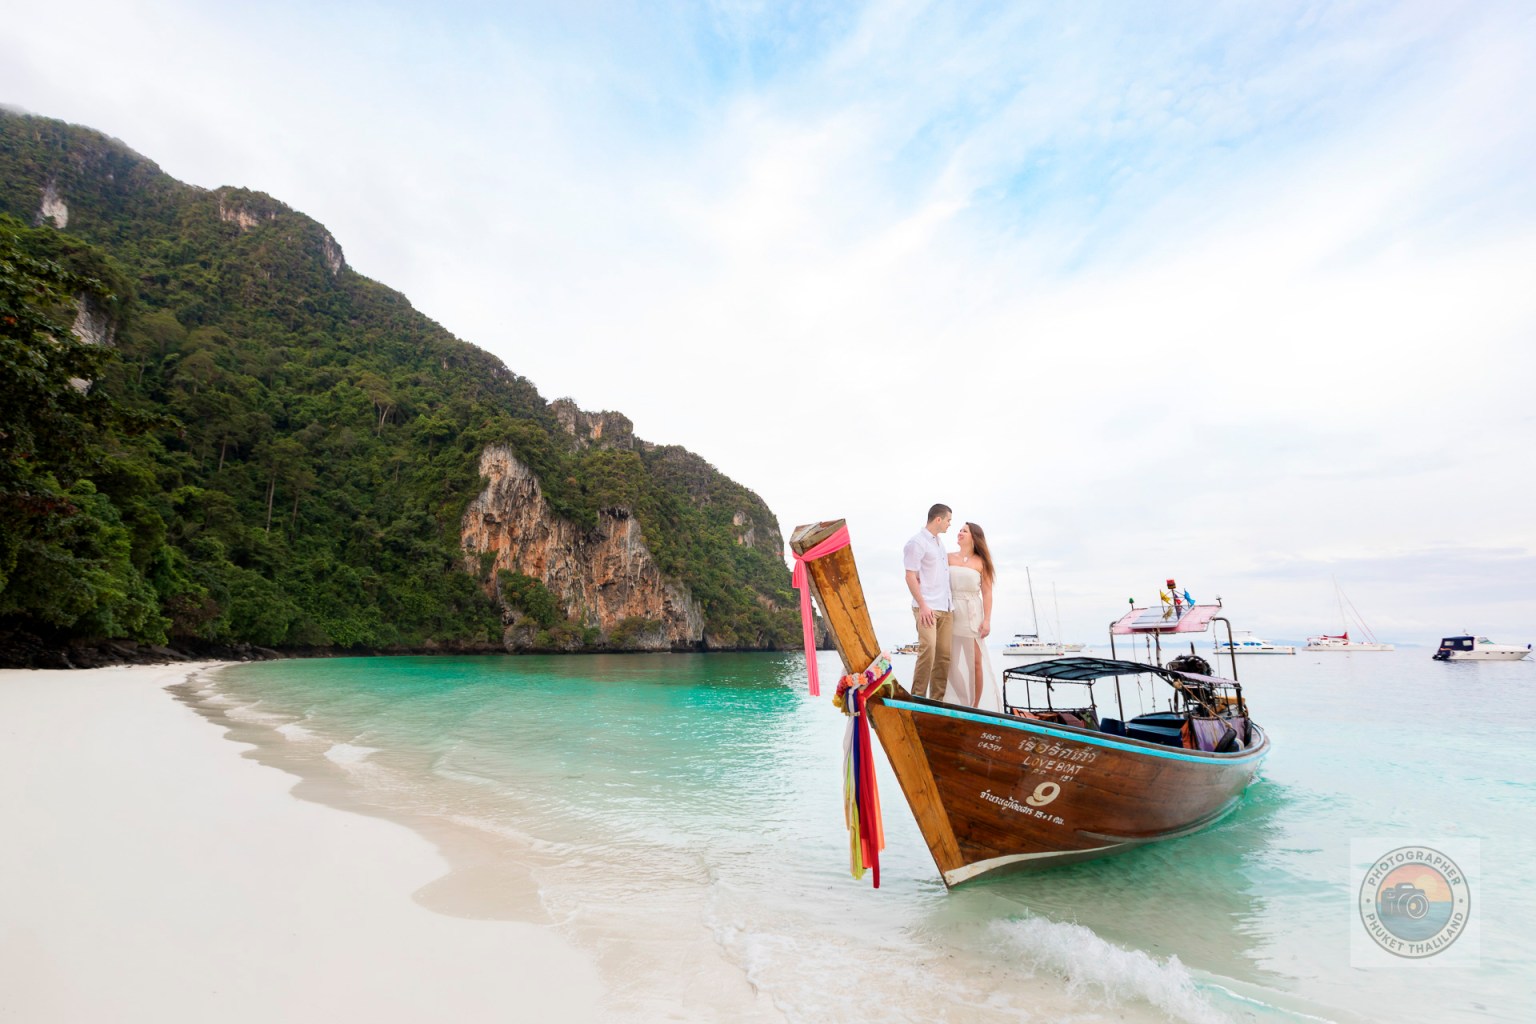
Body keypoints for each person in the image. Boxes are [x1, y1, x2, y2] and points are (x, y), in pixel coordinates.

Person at [946, 522, 1001, 712]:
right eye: (959, 530)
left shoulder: (981, 562)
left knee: (975, 662)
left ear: (974, 537)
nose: (959, 533)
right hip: (951, 612)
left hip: (972, 614)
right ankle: (961, 700)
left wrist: (987, 620)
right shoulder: (948, 558)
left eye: (964, 531)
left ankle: (975, 706)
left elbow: (987, 593)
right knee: (950, 662)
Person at [903, 504, 953, 700]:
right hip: (927, 608)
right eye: (948, 520)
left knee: (943, 658)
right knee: (928, 651)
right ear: (938, 519)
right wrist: (923, 605)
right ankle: (917, 699)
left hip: (946, 608)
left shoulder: (940, 543)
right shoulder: (916, 543)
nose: (950, 524)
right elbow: (910, 576)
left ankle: (936, 703)